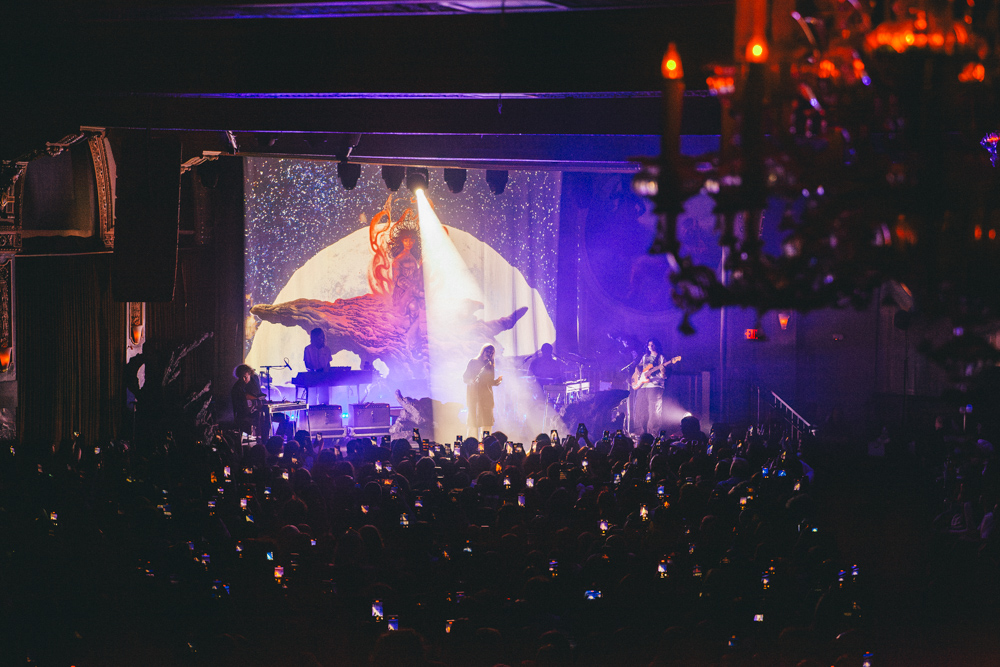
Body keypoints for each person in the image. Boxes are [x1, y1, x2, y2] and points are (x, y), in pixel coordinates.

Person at [464, 344, 503, 437]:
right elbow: (465, 378)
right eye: (488, 351)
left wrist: (497, 382)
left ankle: (486, 445)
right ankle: (471, 444)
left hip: (486, 398)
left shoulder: (490, 365)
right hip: (474, 397)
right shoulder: (473, 362)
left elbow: (489, 382)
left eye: (491, 353)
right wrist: (471, 381)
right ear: (483, 351)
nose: (489, 354)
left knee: (486, 423)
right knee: (473, 422)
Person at [631, 338, 667, 435]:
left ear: (656, 346)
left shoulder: (661, 358)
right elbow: (639, 366)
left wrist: (663, 372)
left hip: (655, 385)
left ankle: (653, 434)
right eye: (649, 345)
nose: (651, 347)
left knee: (654, 410)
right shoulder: (645, 356)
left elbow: (664, 375)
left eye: (653, 345)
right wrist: (637, 369)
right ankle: (639, 433)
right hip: (643, 385)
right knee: (639, 408)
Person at [232, 363, 265, 435]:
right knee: (262, 417)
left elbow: (260, 394)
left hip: (255, 412)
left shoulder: (254, 382)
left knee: (265, 414)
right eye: (241, 378)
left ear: (250, 374)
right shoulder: (236, 388)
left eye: (245, 377)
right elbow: (237, 407)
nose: (243, 380)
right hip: (244, 415)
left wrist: (261, 399)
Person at [304, 328, 333, 405]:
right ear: (313, 338)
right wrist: (314, 371)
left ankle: (325, 411)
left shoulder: (327, 349)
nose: (321, 339)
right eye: (319, 337)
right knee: (312, 400)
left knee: (324, 399)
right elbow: (307, 364)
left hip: (324, 377)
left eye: (322, 337)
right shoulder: (308, 349)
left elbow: (328, 363)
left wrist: (328, 371)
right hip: (312, 377)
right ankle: (312, 413)